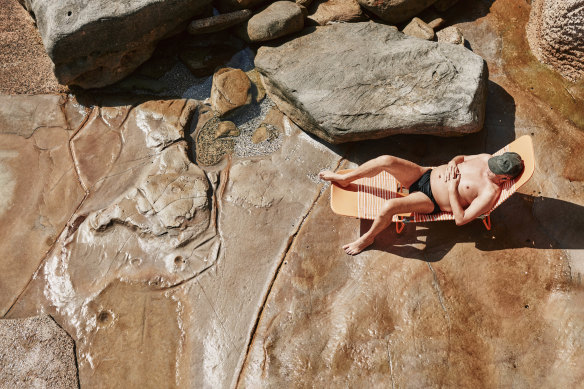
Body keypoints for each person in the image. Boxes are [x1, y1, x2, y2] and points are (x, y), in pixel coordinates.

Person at [319, 152, 524, 255]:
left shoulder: (490, 192)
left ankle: (367, 238)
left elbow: (461, 219)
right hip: (424, 173)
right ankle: (346, 178)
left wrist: (452, 188)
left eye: (494, 171)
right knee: (386, 160)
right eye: (492, 164)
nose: (489, 168)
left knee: (389, 206)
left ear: (505, 179)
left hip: (430, 201)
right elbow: (461, 157)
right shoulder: (487, 158)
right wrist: (453, 163)